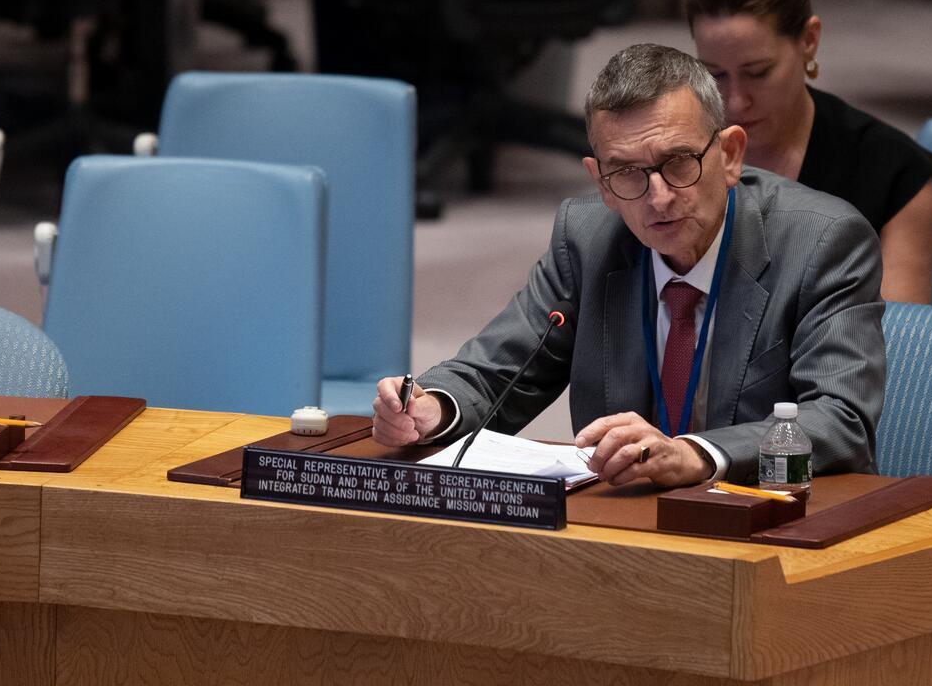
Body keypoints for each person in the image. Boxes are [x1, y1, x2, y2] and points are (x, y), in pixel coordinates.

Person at [373, 43, 885, 488]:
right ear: (600, 182)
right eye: (627, 173)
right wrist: (432, 407)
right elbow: (495, 373)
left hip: (768, 519)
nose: (657, 198)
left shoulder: (822, 242)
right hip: (626, 521)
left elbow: (841, 419)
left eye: (679, 163)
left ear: (730, 155)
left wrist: (696, 454)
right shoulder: (587, 238)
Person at [682, 0, 932, 305]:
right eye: (715, 74)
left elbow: (899, 336)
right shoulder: (675, 156)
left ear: (808, 40)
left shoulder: (891, 174)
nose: (736, 103)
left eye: (758, 72)